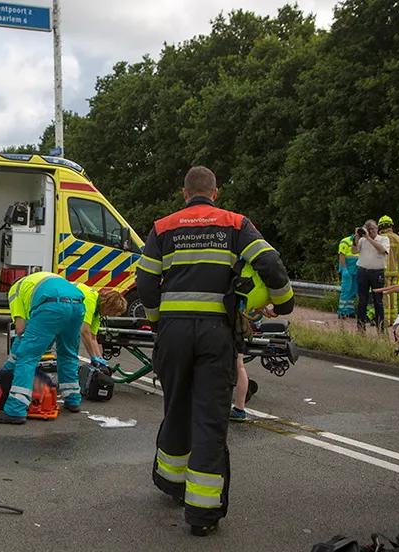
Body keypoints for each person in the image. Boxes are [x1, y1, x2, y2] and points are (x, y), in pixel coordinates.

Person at [136, 166, 294, 537]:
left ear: (184, 193)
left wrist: (159, 321)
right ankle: (202, 514)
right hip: (215, 334)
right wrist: (284, 304)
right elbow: (269, 264)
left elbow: (145, 280)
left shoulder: (163, 227)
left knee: (176, 406)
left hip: (174, 332)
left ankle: (173, 484)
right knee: (209, 417)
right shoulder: (236, 224)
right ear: (215, 193)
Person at [0, 272, 86, 424]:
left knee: (27, 358)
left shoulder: (15, 289)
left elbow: (21, 329)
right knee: (68, 354)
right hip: (78, 304)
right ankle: (73, 400)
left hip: (52, 305)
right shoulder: (41, 279)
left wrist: (9, 366)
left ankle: (15, 410)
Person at [75, 283, 128, 368]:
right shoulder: (90, 300)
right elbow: (84, 331)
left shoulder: (98, 311)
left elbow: (92, 338)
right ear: (109, 306)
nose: (110, 316)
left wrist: (100, 359)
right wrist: (93, 357)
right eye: (113, 312)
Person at [351, 219, 389, 332]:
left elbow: (382, 250)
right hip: (363, 271)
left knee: (378, 301)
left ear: (377, 229)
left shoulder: (383, 239)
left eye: (373, 229)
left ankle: (380, 327)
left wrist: (369, 238)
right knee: (362, 300)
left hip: (377, 273)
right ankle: (361, 327)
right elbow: (354, 251)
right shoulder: (362, 241)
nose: (371, 231)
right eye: (368, 229)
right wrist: (357, 237)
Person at [378, 215, 399, 327]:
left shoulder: (380, 239)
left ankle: (386, 320)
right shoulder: (398, 239)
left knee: (385, 296)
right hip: (395, 271)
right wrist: (398, 269)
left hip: (383, 270)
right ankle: (394, 319)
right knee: (394, 296)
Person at [336, 234, 359, 319]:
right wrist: (344, 269)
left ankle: (350, 310)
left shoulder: (361, 242)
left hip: (356, 269)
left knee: (353, 291)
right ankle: (342, 311)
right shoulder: (345, 241)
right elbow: (341, 256)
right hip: (347, 269)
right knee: (346, 290)